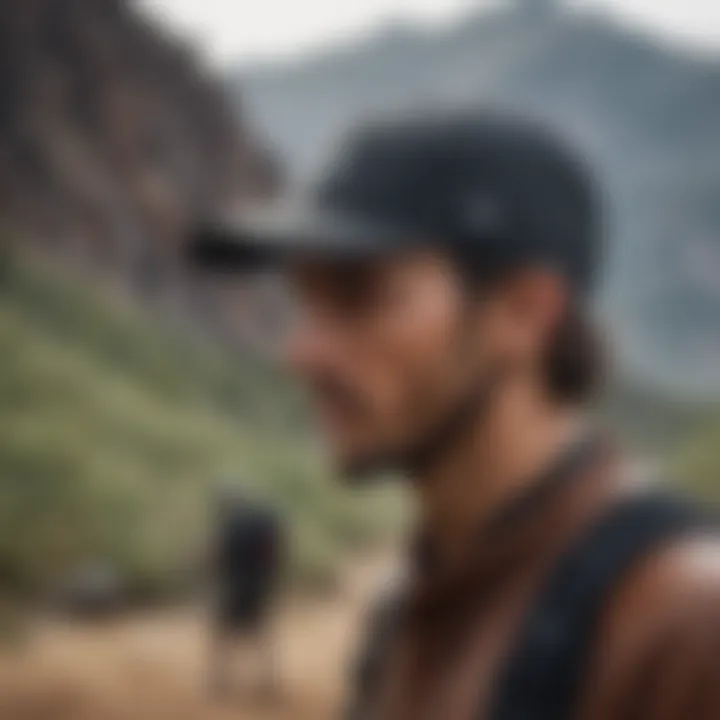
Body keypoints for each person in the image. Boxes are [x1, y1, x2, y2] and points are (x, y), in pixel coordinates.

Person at [189, 110, 720, 719]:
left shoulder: (687, 629)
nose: (302, 353)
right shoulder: (416, 601)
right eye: (306, 303)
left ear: (525, 312)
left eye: (360, 296)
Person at [209, 489, 284, 699]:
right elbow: (275, 558)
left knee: (224, 633)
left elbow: (218, 556)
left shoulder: (229, 525)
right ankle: (266, 681)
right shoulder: (262, 524)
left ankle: (220, 679)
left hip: (234, 586)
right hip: (259, 587)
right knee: (260, 633)